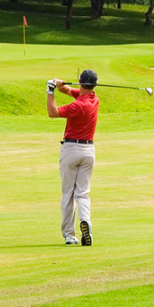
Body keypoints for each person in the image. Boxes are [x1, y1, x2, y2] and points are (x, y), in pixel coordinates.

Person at [46, 70, 100, 246]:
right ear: (95, 85)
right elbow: (70, 91)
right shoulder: (94, 99)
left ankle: (69, 235)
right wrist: (61, 86)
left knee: (68, 194)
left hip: (71, 149)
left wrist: (50, 91)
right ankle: (86, 221)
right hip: (88, 151)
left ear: (79, 81)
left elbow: (53, 112)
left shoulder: (78, 106)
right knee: (82, 193)